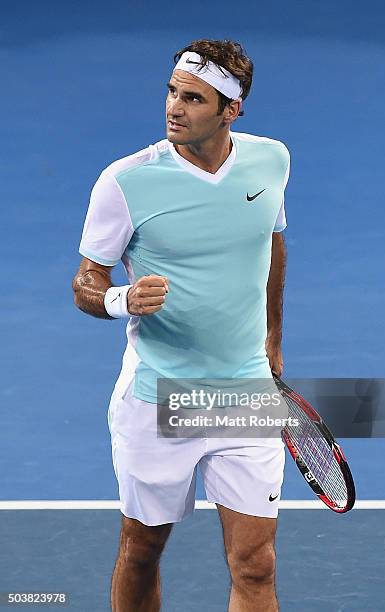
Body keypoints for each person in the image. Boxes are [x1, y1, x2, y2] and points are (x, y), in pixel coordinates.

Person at [72, 38, 290, 612]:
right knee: (142, 550)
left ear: (230, 111)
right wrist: (122, 299)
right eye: (172, 91)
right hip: (159, 394)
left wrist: (272, 339)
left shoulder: (271, 160)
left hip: (243, 392)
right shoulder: (125, 181)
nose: (174, 107)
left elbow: (272, 242)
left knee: (256, 563)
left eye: (193, 98)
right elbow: (86, 284)